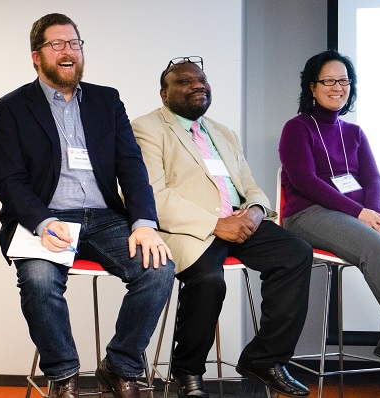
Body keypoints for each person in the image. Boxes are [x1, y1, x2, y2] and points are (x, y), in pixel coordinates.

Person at [0, 13, 175, 398]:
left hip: (106, 217)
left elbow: (131, 164)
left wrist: (144, 222)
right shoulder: (12, 107)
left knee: (158, 269)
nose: (68, 51)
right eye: (56, 44)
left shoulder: (106, 100)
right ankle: (63, 374)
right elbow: (10, 182)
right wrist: (41, 222)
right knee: (39, 281)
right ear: (36, 57)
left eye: (74, 43)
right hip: (46, 217)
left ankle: (120, 366)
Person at [132, 56, 312, 398]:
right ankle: (187, 372)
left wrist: (256, 212)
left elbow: (250, 184)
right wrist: (216, 223)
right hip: (191, 228)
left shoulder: (223, 132)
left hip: (240, 221)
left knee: (295, 253)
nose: (197, 85)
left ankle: (266, 358)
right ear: (164, 94)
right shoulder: (146, 128)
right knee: (209, 280)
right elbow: (152, 194)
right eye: (184, 81)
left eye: (201, 80)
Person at [279, 49, 380, 374]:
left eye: (344, 81)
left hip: (356, 213)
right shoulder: (297, 128)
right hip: (308, 214)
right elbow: (304, 181)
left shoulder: (354, 132)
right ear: (312, 86)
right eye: (329, 80)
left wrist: (373, 213)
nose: (338, 87)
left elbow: (373, 178)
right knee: (377, 246)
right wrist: (360, 214)